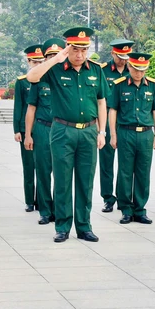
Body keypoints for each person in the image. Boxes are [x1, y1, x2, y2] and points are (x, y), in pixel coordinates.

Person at [26, 27, 108, 243]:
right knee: (62, 180)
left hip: (89, 131)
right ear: (68, 49)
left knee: (85, 181)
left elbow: (101, 102)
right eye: (75, 50)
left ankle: (84, 226)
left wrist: (102, 131)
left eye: (84, 50)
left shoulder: (96, 71)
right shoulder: (56, 70)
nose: (80, 54)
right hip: (63, 130)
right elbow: (31, 76)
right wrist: (55, 59)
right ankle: (62, 227)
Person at [107, 52, 155, 225]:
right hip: (126, 132)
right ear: (129, 67)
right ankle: (126, 209)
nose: (139, 73)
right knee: (125, 172)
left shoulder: (153, 86)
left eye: (142, 70)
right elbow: (113, 110)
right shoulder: (119, 85)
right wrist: (113, 134)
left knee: (143, 172)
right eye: (136, 69)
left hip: (146, 133)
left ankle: (140, 209)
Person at [24, 38, 64, 225]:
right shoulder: (39, 79)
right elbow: (31, 109)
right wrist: (28, 134)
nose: (54, 58)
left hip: (62, 130)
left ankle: (59, 209)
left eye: (57, 55)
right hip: (42, 129)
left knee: (61, 172)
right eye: (50, 56)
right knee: (43, 170)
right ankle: (45, 211)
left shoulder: (67, 78)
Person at [98, 39, 134, 213]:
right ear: (113, 53)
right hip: (106, 121)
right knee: (106, 161)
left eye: (126, 57)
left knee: (126, 163)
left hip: (127, 123)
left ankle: (123, 196)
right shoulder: (103, 71)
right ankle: (107, 197)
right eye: (120, 57)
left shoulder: (133, 71)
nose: (124, 60)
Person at [14, 45, 45, 212]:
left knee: (42, 166)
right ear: (28, 61)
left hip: (42, 129)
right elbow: (18, 107)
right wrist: (17, 130)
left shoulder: (46, 79)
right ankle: (29, 201)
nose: (38, 64)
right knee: (28, 167)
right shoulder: (22, 81)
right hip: (26, 130)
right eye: (35, 61)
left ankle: (41, 200)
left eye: (41, 61)